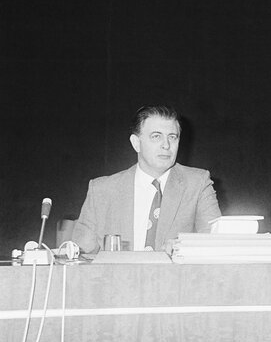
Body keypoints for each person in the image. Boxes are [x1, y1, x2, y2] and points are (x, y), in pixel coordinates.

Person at [72, 105, 221, 254]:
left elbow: (216, 244)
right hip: (117, 277)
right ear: (136, 143)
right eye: (156, 136)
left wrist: (185, 247)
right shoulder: (102, 190)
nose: (166, 145)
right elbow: (79, 255)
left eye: (172, 137)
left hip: (177, 277)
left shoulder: (198, 183)